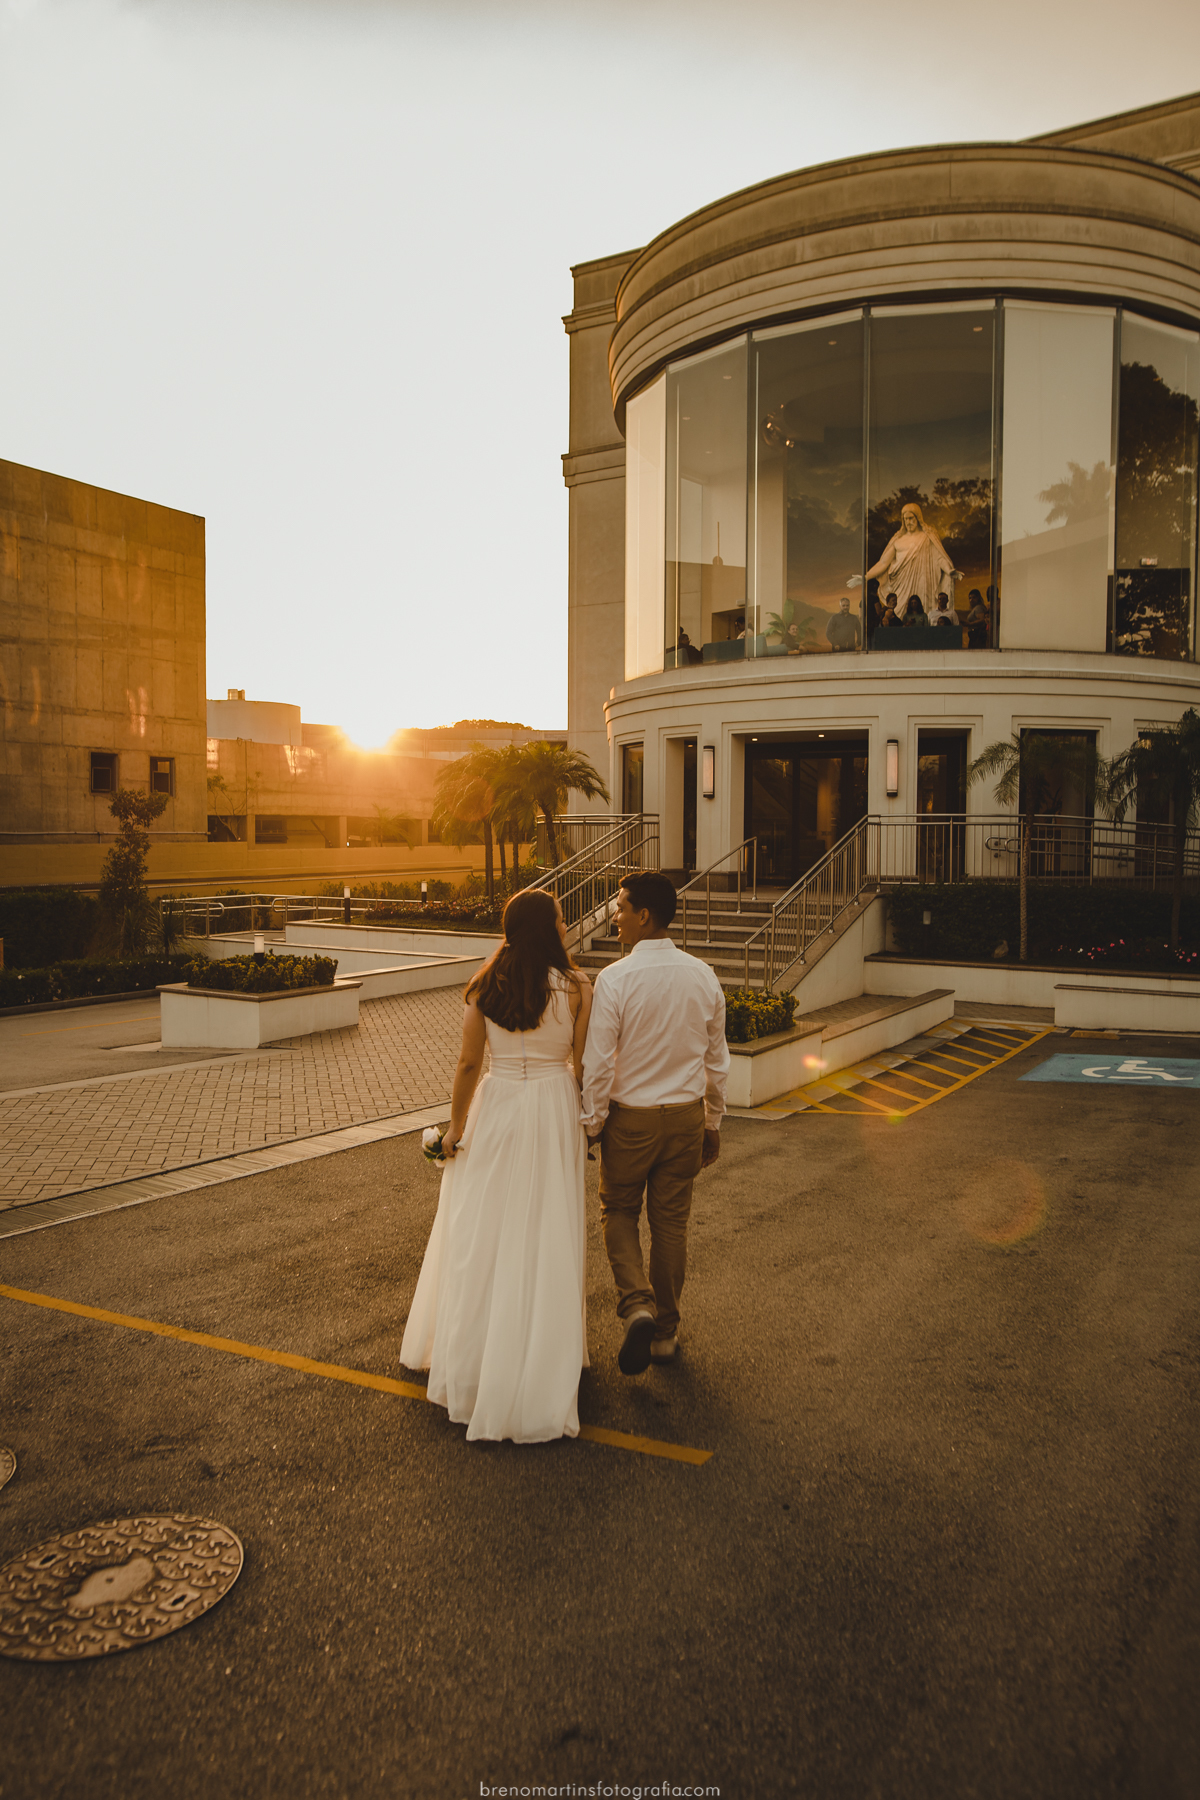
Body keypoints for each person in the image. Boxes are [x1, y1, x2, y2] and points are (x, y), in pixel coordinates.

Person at [400, 889, 592, 1442]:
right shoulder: (578, 987)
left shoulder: (488, 984)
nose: (565, 925)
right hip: (553, 1105)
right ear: (546, 928)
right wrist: (586, 1121)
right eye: (560, 918)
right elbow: (582, 1065)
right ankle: (541, 1358)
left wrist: (456, 1127)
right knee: (545, 1227)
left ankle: (476, 1356)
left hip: (499, 1102)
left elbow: (467, 1061)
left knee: (482, 1229)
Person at [581, 871, 729, 1374]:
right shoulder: (703, 974)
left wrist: (593, 1121)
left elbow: (598, 1063)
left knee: (618, 1210)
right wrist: (713, 1122)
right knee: (671, 1224)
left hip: (632, 1119)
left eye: (620, 908)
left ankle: (637, 1305)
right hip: (686, 1117)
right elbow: (717, 1058)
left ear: (644, 916)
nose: (614, 916)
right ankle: (665, 1335)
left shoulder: (616, 979)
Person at [865, 502, 956, 619]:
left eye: (911, 518)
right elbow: (883, 563)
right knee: (900, 614)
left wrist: (949, 570)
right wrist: (865, 576)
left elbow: (939, 558)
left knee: (925, 612)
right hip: (902, 586)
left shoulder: (927, 537)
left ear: (918, 517)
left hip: (924, 583)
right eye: (905, 519)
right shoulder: (898, 540)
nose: (908, 522)